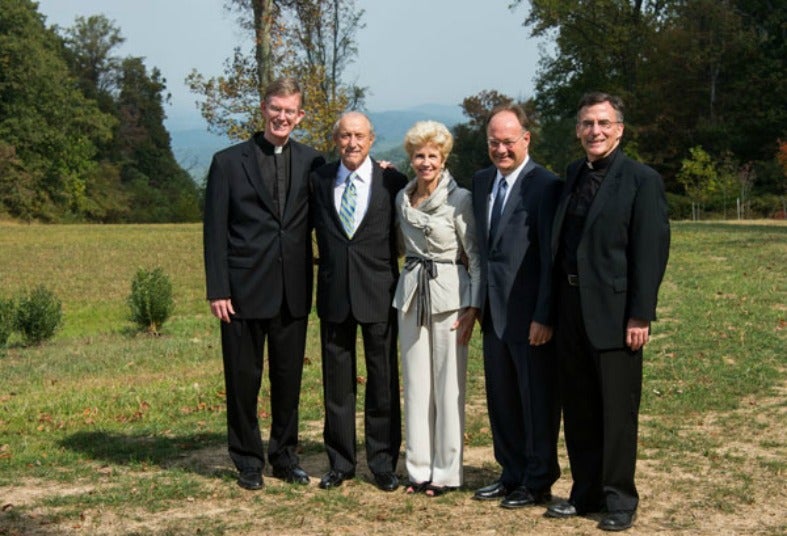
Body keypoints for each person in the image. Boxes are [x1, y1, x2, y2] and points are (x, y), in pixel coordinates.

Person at [546, 92, 670, 532]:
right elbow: (560, 247)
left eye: (602, 123)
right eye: (586, 123)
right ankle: (585, 493)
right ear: (578, 130)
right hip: (570, 307)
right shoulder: (574, 173)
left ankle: (619, 500)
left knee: (616, 412)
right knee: (579, 408)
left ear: (619, 128)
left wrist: (641, 314)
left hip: (618, 315)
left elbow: (651, 252)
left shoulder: (642, 179)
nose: (594, 131)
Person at [203, 77, 325, 490]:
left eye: (290, 110)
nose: (282, 117)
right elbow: (214, 231)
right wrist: (218, 288)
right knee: (243, 380)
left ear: (300, 116)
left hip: (293, 290)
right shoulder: (227, 162)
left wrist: (385, 173)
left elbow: (345, 191)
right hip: (240, 291)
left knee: (288, 381)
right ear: (263, 109)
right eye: (276, 108)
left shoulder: (313, 162)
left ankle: (285, 457)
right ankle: (247, 461)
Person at [471, 104, 562, 508]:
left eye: (509, 141)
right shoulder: (480, 181)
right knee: (502, 400)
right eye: (494, 142)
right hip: (493, 314)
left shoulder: (545, 185)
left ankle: (538, 479)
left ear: (526, 139)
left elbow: (551, 257)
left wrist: (545, 314)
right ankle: (510, 473)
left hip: (530, 318)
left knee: (536, 401)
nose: (501, 149)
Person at [310, 111, 407, 492]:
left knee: (382, 380)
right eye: (345, 136)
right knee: (337, 383)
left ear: (371, 140)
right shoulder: (317, 180)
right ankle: (340, 462)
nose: (352, 143)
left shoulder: (392, 180)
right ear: (336, 140)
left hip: (379, 294)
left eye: (359, 136)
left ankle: (383, 463)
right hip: (334, 294)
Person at [392, 121, 481, 496]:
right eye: (419, 155)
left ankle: (445, 472)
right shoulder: (401, 199)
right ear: (410, 159)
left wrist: (474, 306)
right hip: (411, 295)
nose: (425, 162)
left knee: (448, 387)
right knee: (415, 385)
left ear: (443, 159)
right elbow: (398, 245)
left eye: (433, 156)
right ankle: (418, 469)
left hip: (449, 298)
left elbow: (475, 255)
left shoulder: (460, 199)